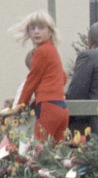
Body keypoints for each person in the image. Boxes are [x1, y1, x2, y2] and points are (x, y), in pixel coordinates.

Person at [10, 10, 68, 143]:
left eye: (41, 28)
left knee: (39, 150)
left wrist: (20, 105)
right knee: (58, 152)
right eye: (32, 28)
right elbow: (63, 77)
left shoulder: (41, 52)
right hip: (61, 108)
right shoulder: (53, 50)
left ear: (49, 31)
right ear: (29, 32)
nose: (36, 31)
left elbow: (32, 80)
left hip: (48, 107)